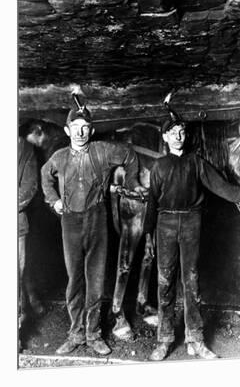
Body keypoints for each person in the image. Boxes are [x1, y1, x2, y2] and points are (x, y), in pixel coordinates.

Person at [144, 117, 240, 361]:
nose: (178, 136)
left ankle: (196, 339)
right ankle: (164, 340)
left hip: (191, 223)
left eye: (181, 131)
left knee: (192, 281)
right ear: (165, 138)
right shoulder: (159, 166)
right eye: (173, 132)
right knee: (165, 282)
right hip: (165, 224)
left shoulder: (196, 162)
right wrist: (148, 234)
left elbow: (220, 185)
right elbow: (152, 203)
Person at [41, 103, 145, 356]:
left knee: (96, 280)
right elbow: (46, 174)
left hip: (97, 219)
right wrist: (53, 199)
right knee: (74, 280)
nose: (80, 132)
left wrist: (131, 181)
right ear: (67, 131)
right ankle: (75, 334)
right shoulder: (60, 157)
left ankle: (94, 333)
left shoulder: (103, 150)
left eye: (85, 127)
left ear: (91, 129)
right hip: (70, 223)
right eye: (75, 128)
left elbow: (131, 157)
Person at [18, 121, 42, 332]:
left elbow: (29, 186)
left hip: (15, 224)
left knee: (16, 271)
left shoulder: (25, 149)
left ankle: (14, 330)